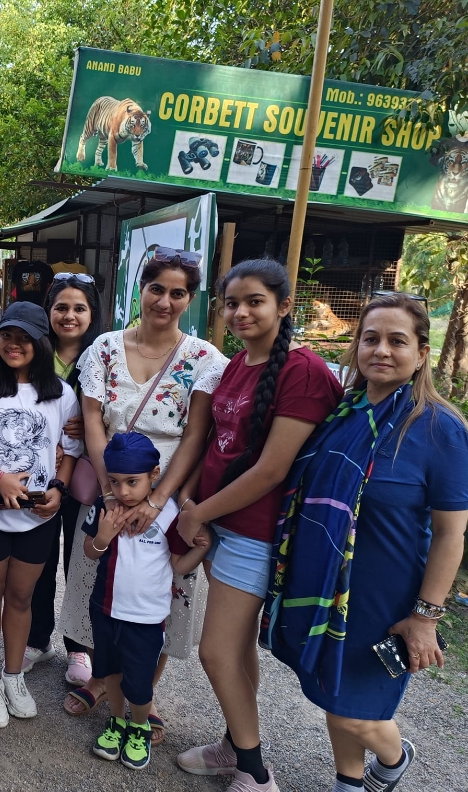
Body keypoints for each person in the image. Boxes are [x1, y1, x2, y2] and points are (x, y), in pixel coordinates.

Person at [261, 293, 468, 792]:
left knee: (356, 708)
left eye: (397, 340)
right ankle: (350, 782)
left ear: (421, 352)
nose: (381, 350)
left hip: (385, 594)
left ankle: (394, 760)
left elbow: (450, 533)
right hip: (328, 582)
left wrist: (425, 616)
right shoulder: (342, 414)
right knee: (335, 689)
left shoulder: (440, 429)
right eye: (370, 338)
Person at [174, 259, 343, 792]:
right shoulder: (238, 365)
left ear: (284, 305)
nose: (241, 312)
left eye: (254, 301)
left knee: (216, 651)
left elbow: (271, 469)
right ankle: (233, 743)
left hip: (257, 530)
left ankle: (256, 772)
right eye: (232, 303)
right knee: (238, 647)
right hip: (222, 520)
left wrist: (200, 512)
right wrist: (188, 497)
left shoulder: (306, 372)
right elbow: (215, 443)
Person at [58, 248, 227, 739]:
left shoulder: (203, 359)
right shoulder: (104, 348)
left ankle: (141, 696)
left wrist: (158, 503)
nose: (165, 301)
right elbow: (92, 420)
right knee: (99, 586)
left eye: (178, 293)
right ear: (140, 289)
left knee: (162, 599)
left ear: (190, 300)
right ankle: (106, 683)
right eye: (157, 289)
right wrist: (112, 491)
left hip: (170, 496)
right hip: (111, 489)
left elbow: (196, 436)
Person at [0, 301, 82, 728]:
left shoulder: (62, 394)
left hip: (38, 516)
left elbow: (71, 452)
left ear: (42, 342)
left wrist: (59, 491)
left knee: (21, 598)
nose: (14, 344)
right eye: (7, 335)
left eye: (25, 337)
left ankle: (12, 676)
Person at [85, 433, 211, 771]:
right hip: (106, 608)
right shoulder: (105, 506)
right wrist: (103, 537)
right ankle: (116, 721)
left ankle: (139, 726)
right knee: (109, 670)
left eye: (132, 482)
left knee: (138, 681)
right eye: (114, 481)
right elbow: (89, 551)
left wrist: (201, 548)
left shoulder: (169, 514)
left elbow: (177, 566)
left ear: (154, 475)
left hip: (146, 617)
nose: (123, 491)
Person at [23, 273, 103, 686]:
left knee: (80, 560)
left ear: (93, 314)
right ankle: (37, 639)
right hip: (38, 474)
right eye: (60, 307)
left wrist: (92, 424)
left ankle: (79, 647)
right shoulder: (33, 354)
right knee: (39, 561)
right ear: (48, 312)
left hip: (86, 478)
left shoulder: (104, 356)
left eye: (79, 308)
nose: (69, 316)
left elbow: (116, 412)